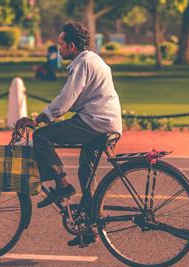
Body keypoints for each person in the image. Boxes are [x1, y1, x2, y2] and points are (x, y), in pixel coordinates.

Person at [15, 22, 122, 247]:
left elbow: (66, 98)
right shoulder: (94, 59)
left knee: (41, 137)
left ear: (72, 46)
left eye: (61, 44)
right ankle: (89, 228)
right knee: (87, 174)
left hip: (95, 122)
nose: (59, 48)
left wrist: (38, 120)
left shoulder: (81, 63)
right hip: (107, 123)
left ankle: (62, 185)